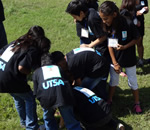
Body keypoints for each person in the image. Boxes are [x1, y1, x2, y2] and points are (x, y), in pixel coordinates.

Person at [0, 25, 50, 129]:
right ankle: (32, 126)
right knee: (29, 98)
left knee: (18, 98)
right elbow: (22, 67)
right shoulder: (31, 48)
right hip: (11, 79)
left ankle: (23, 121)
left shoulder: (16, 42)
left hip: (1, 76)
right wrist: (30, 73)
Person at [99, 1, 142, 114]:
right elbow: (110, 45)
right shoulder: (108, 26)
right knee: (113, 80)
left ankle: (137, 103)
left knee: (132, 81)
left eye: (106, 18)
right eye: (102, 19)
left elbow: (137, 39)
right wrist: (115, 63)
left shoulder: (128, 23)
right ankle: (109, 100)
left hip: (129, 58)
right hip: (116, 59)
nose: (104, 21)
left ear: (114, 14)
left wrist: (125, 46)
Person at [32, 53, 82, 130]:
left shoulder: (36, 72)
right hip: (63, 96)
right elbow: (67, 83)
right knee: (71, 121)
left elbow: (35, 92)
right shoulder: (59, 68)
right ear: (53, 62)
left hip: (46, 98)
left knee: (48, 118)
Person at [136, 0, 149, 67]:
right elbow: (123, 11)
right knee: (129, 42)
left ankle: (141, 60)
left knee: (140, 41)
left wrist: (146, 10)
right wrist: (135, 14)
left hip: (140, 22)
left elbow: (146, 11)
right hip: (131, 22)